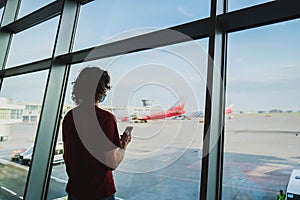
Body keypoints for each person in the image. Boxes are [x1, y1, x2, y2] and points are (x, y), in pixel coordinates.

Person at [63, 67, 131, 200]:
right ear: (101, 91)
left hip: (76, 190)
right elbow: (112, 163)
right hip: (100, 192)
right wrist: (123, 147)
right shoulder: (106, 119)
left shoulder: (69, 117)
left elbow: (67, 156)